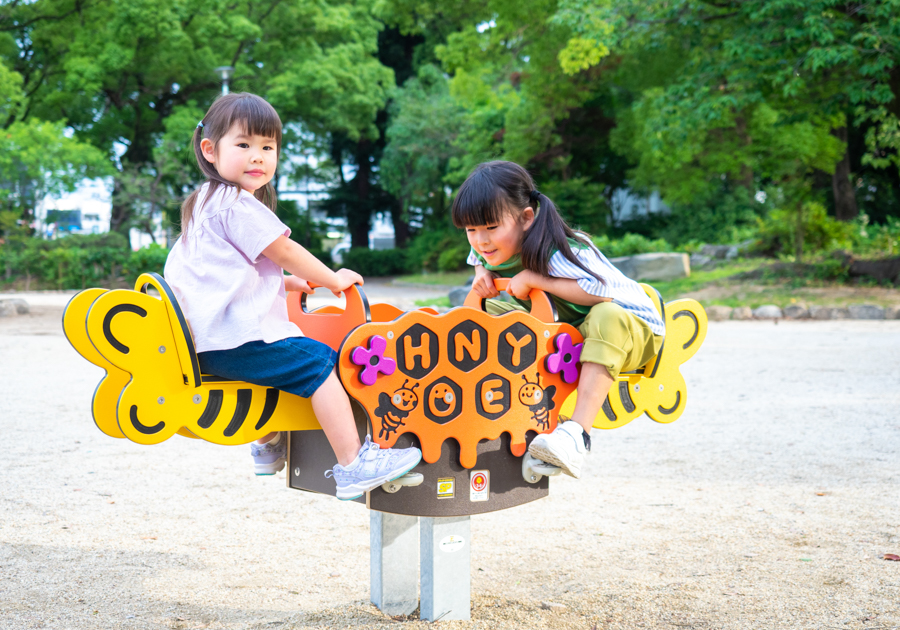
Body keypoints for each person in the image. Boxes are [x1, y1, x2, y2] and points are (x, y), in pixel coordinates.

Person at [164, 92, 421, 499]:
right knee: (317, 363)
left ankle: (266, 445)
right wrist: (332, 278)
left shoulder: (203, 204)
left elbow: (215, 277)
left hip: (210, 341)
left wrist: (284, 284)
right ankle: (354, 464)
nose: (258, 157)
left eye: (268, 147)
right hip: (236, 339)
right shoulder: (235, 204)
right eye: (244, 144)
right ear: (210, 150)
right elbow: (284, 251)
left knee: (282, 365)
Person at [452, 161, 665, 478]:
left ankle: (577, 435)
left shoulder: (560, 249)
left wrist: (538, 279)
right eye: (471, 230)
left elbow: (601, 292)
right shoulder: (489, 249)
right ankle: (505, 414)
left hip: (634, 329)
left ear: (526, 219)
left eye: (491, 227)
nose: (481, 240)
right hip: (577, 332)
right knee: (490, 312)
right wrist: (482, 275)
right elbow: (476, 259)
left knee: (606, 314)